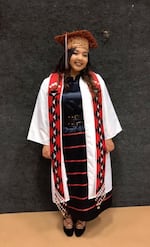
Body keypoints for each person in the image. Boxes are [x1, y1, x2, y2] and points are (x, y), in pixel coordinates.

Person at [27, 30, 122, 237]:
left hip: (90, 141)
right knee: (66, 180)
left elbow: (105, 109)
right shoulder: (50, 83)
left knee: (86, 179)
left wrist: (108, 136)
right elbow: (42, 113)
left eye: (85, 55)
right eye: (76, 53)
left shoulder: (96, 82)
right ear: (66, 54)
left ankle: (82, 217)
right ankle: (68, 215)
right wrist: (45, 142)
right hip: (63, 142)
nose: (80, 58)